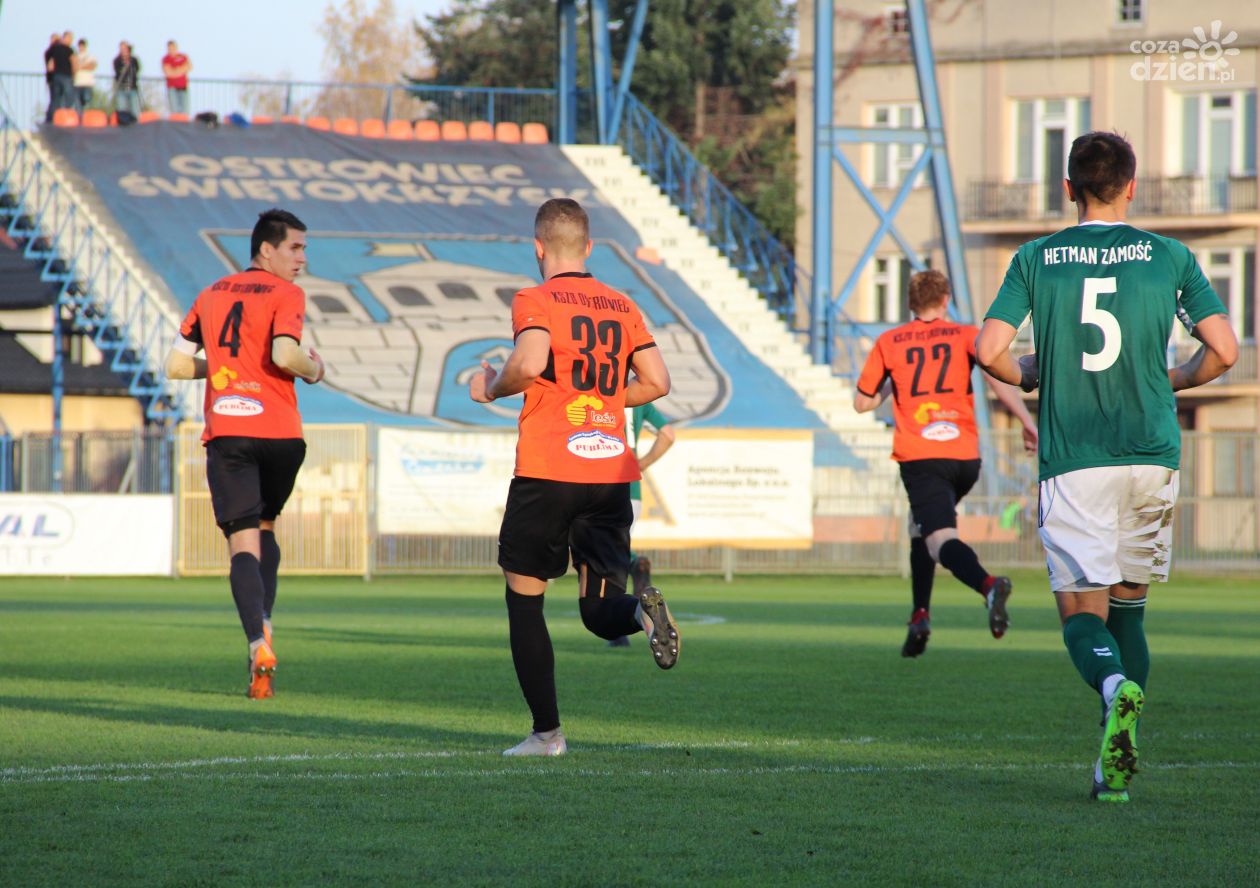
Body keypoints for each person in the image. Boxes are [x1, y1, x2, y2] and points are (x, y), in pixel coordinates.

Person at [976, 131, 1238, 803]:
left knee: (1079, 613)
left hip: (1077, 459)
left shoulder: (1038, 257)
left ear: (1068, 188)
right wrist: (1173, 379)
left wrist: (1032, 370)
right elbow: (1224, 350)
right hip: (1151, 454)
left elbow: (988, 349)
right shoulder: (1170, 255)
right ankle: (1113, 764)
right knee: (1130, 607)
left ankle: (1114, 686)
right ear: (1132, 185)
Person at [469, 197, 678, 756]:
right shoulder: (623, 304)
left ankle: (547, 735)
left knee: (525, 600)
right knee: (599, 612)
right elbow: (657, 382)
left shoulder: (534, 298)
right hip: (609, 472)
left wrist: (490, 387)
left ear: (538, 248)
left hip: (549, 469)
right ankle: (641, 613)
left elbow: (528, 363)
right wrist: (604, 398)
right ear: (588, 247)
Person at [164, 209, 326, 699]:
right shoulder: (286, 293)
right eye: (295, 247)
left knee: (242, 543)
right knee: (267, 526)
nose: (302, 258)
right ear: (266, 250)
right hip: (281, 435)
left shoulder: (210, 293)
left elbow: (175, 365)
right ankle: (267, 625)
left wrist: (219, 366)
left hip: (230, 432)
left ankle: (257, 642)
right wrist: (315, 370)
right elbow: (284, 354)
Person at [854, 269, 1038, 658]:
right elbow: (997, 378)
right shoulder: (966, 335)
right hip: (964, 456)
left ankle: (989, 586)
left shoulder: (889, 342)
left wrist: (893, 383)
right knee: (920, 525)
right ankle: (919, 615)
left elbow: (862, 403)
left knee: (939, 539)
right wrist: (1025, 420)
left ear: (910, 303)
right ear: (945, 300)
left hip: (922, 456)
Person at [607, 402, 675, 648]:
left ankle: (616, 630)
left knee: (603, 557)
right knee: (615, 550)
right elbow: (667, 435)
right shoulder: (640, 397)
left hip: (602, 482)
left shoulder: (596, 391)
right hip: (631, 488)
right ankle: (635, 563)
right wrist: (641, 464)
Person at [45, 31, 76, 120]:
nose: (71, 41)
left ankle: (52, 118)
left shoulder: (54, 49)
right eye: (70, 39)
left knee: (55, 99)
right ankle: (65, 116)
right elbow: (74, 62)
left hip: (56, 77)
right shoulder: (69, 50)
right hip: (66, 76)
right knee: (69, 97)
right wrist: (74, 75)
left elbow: (49, 63)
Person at [161, 40, 191, 116]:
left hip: (183, 87)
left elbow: (189, 66)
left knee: (185, 111)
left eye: (173, 47)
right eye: (170, 48)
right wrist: (181, 70)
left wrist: (175, 71)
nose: (172, 50)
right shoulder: (166, 59)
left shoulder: (183, 56)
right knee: (174, 111)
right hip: (172, 88)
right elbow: (168, 73)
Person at [113, 41, 142, 121]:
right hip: (121, 88)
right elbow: (118, 73)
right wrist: (125, 64)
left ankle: (135, 123)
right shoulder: (117, 61)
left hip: (132, 88)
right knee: (122, 110)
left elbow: (137, 70)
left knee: (135, 110)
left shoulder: (134, 60)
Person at [73, 39, 97, 113]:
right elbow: (74, 67)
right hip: (77, 83)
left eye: (82, 46)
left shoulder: (90, 56)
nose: (81, 47)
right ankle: (79, 117)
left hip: (87, 83)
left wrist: (80, 67)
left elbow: (92, 66)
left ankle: (88, 117)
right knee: (78, 104)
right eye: (80, 46)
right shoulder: (75, 56)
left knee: (87, 100)